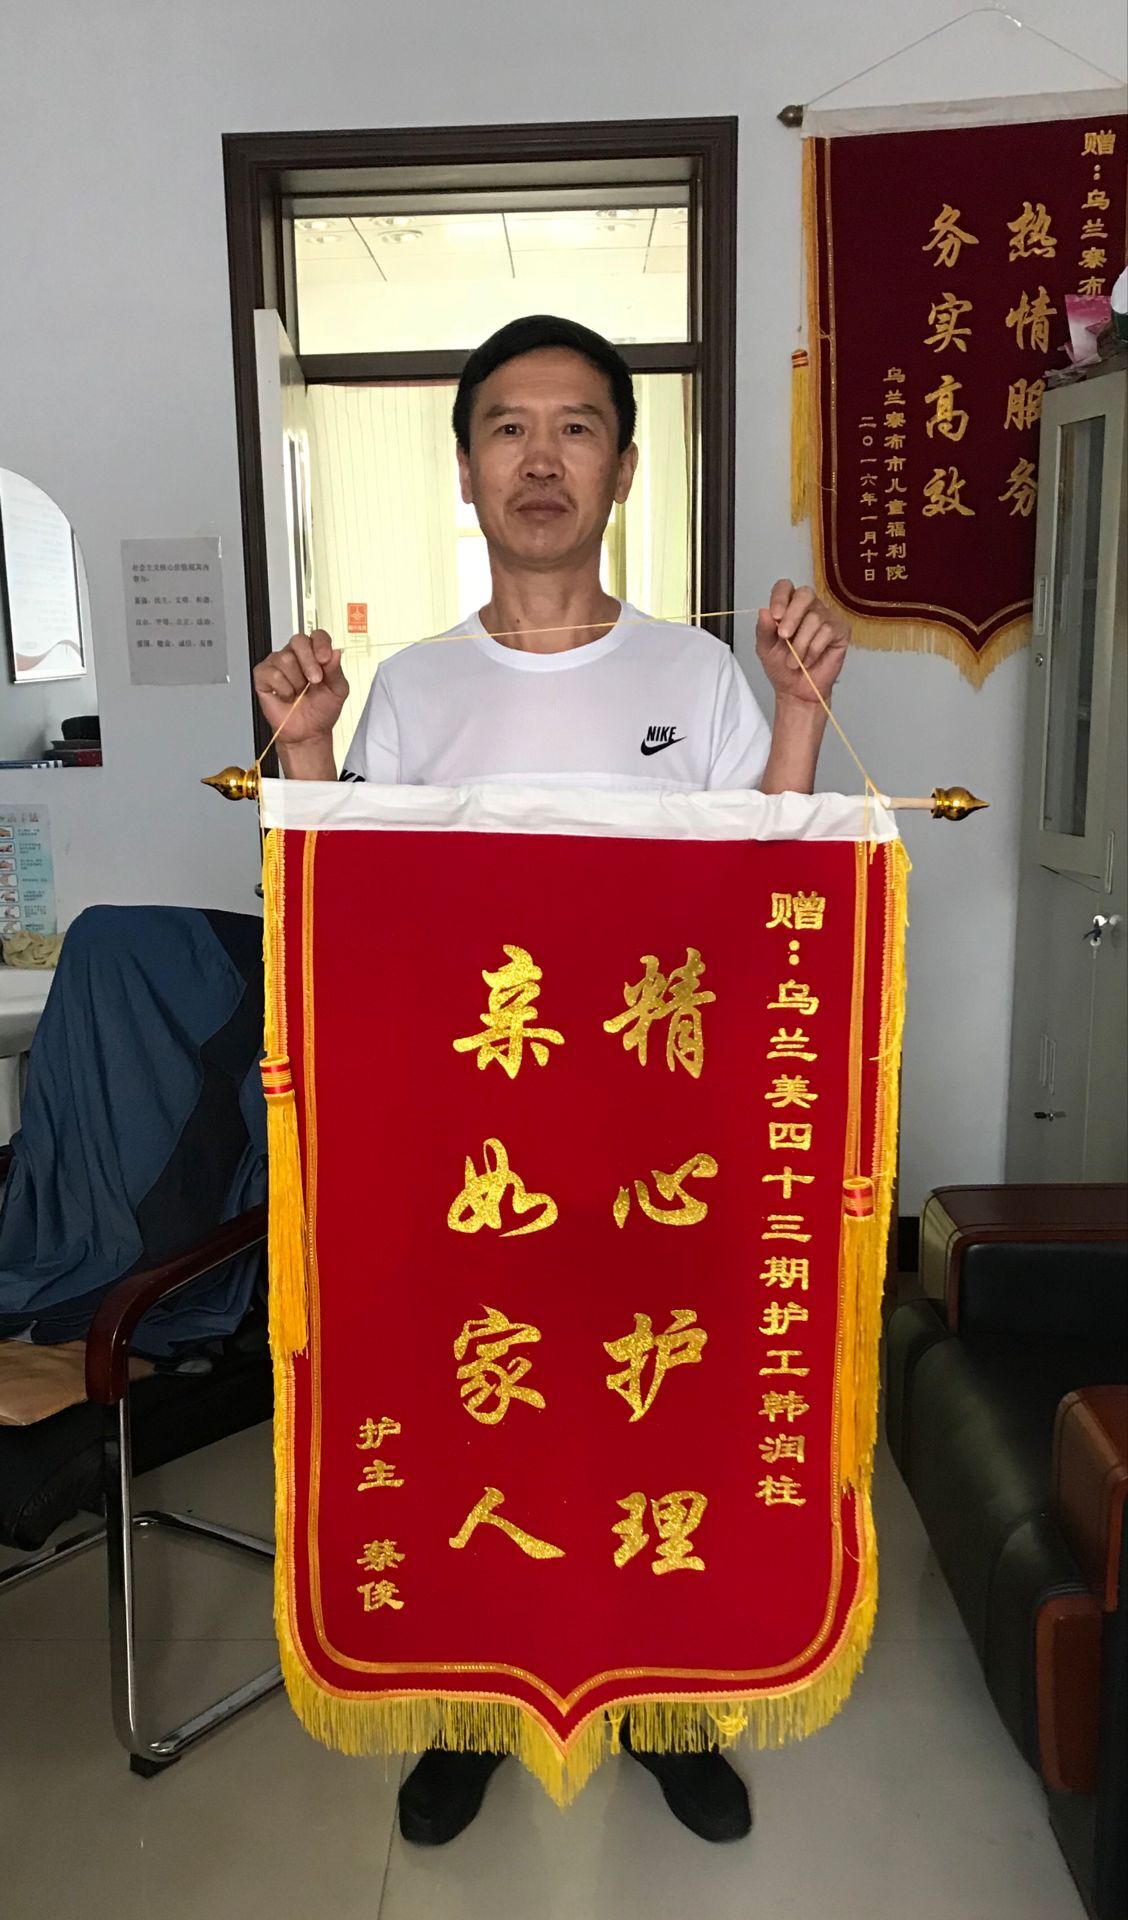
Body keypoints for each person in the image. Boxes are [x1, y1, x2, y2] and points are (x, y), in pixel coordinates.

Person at [253, 314, 850, 1847]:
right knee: (481, 1428)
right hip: (476, 1169)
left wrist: (797, 717)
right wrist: (310, 756)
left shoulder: (695, 677)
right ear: (464, 470)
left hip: (658, 1161)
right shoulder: (412, 692)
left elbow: (769, 910)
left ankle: (663, 1707)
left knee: (655, 1429)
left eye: (575, 428)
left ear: (623, 470)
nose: (539, 457)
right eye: (507, 428)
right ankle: (471, 1711)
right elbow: (358, 933)